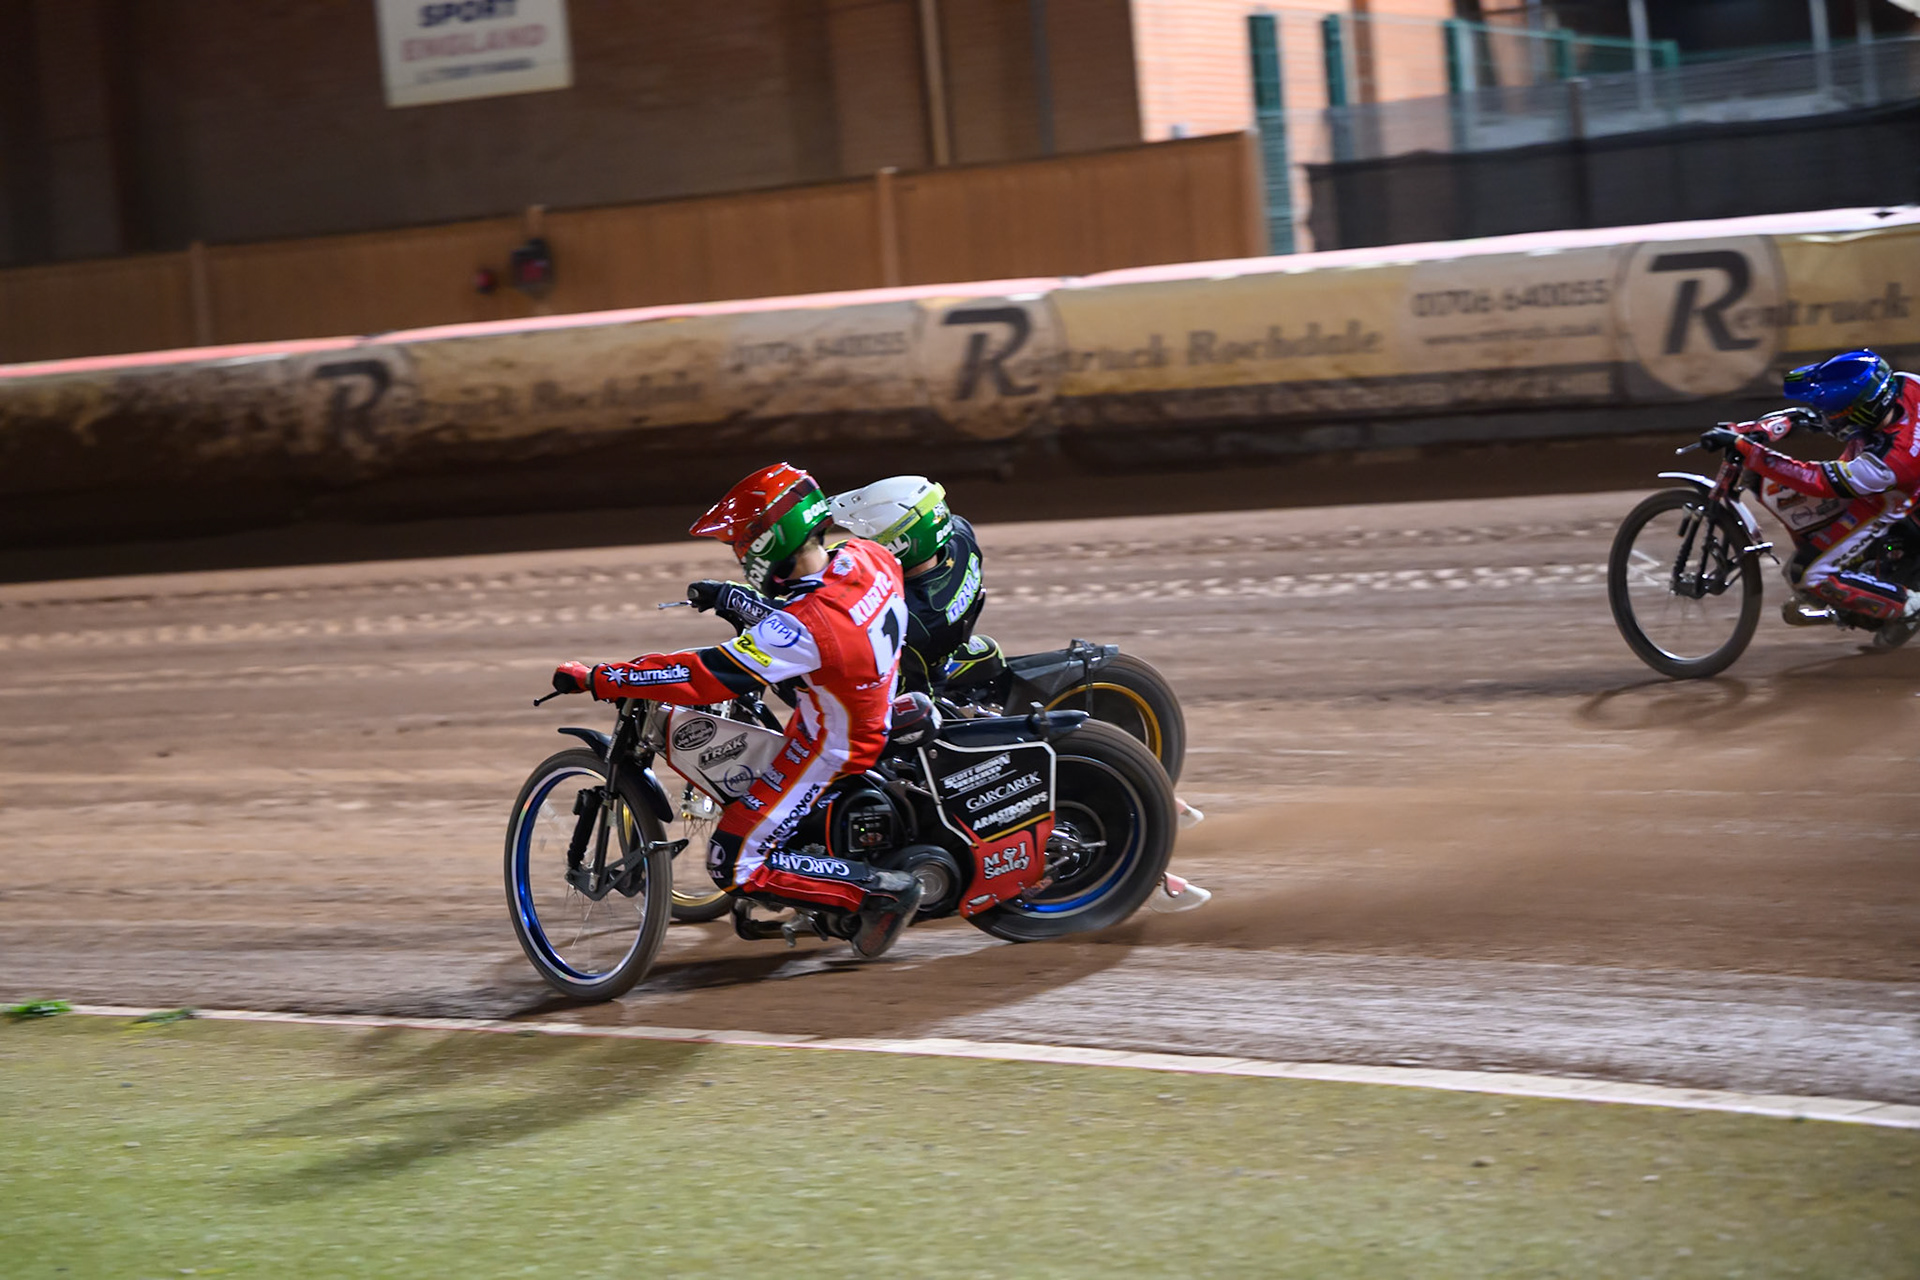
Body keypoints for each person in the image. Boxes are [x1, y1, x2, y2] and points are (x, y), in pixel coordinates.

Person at [550, 462, 925, 960]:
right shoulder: (868, 557)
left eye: (739, 544)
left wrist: (602, 677)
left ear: (769, 540)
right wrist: (740, 602)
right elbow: (807, 618)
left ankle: (879, 892)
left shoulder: (807, 626)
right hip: (867, 698)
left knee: (732, 862)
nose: (737, 553)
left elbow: (701, 675)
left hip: (830, 747)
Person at [828, 475, 1213, 915]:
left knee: (882, 765)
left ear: (898, 546)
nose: (854, 546)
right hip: (960, 653)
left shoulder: (914, 615)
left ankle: (1138, 861)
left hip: (921, 688)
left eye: (865, 539)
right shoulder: (958, 535)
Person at [1703, 349, 1920, 648]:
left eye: (1834, 411)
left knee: (1806, 573)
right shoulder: (1906, 385)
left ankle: (1909, 607)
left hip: (1884, 502)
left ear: (1863, 412)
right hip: (1903, 482)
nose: (1827, 417)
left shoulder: (1887, 463)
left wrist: (1752, 452)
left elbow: (1817, 481)